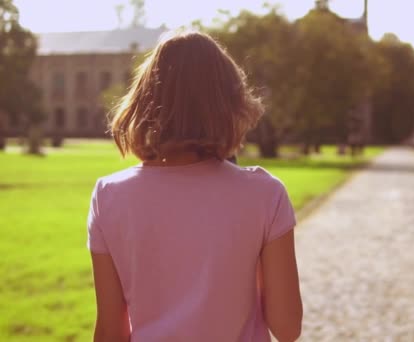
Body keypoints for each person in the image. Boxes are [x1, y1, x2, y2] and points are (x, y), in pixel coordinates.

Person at [87, 30, 302, 342]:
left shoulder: (109, 195)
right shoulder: (265, 194)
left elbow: (109, 331)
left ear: (145, 101)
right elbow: (287, 328)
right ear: (231, 103)